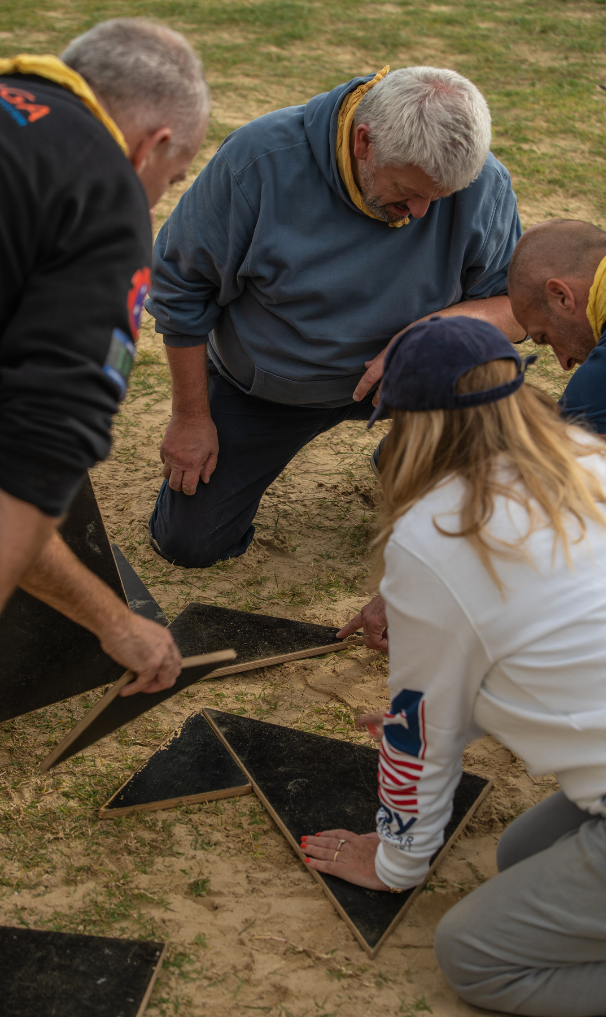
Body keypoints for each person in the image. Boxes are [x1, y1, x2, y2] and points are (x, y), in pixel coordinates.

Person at [304, 315, 606, 1016]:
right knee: (523, 851)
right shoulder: (587, 457)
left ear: (411, 425)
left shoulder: (433, 535)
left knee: (475, 951)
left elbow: (420, 735)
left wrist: (393, 862)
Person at [145, 64, 525, 569]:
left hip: (412, 380)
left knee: (495, 450)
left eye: (440, 198)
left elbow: (515, 309)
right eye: (407, 191)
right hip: (269, 388)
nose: (420, 214)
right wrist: (191, 417)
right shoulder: (259, 161)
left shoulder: (481, 183)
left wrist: (434, 333)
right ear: (363, 142)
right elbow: (181, 287)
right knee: (189, 545)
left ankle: (408, 454)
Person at [0, 18, 209, 694]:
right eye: (171, 180)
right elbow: (34, 462)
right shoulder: (101, 185)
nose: (154, 199)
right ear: (155, 145)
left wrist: (110, 619)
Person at [508, 217, 606, 434]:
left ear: (562, 297)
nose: (565, 363)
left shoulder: (598, 381)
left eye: (545, 337)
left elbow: (556, 461)